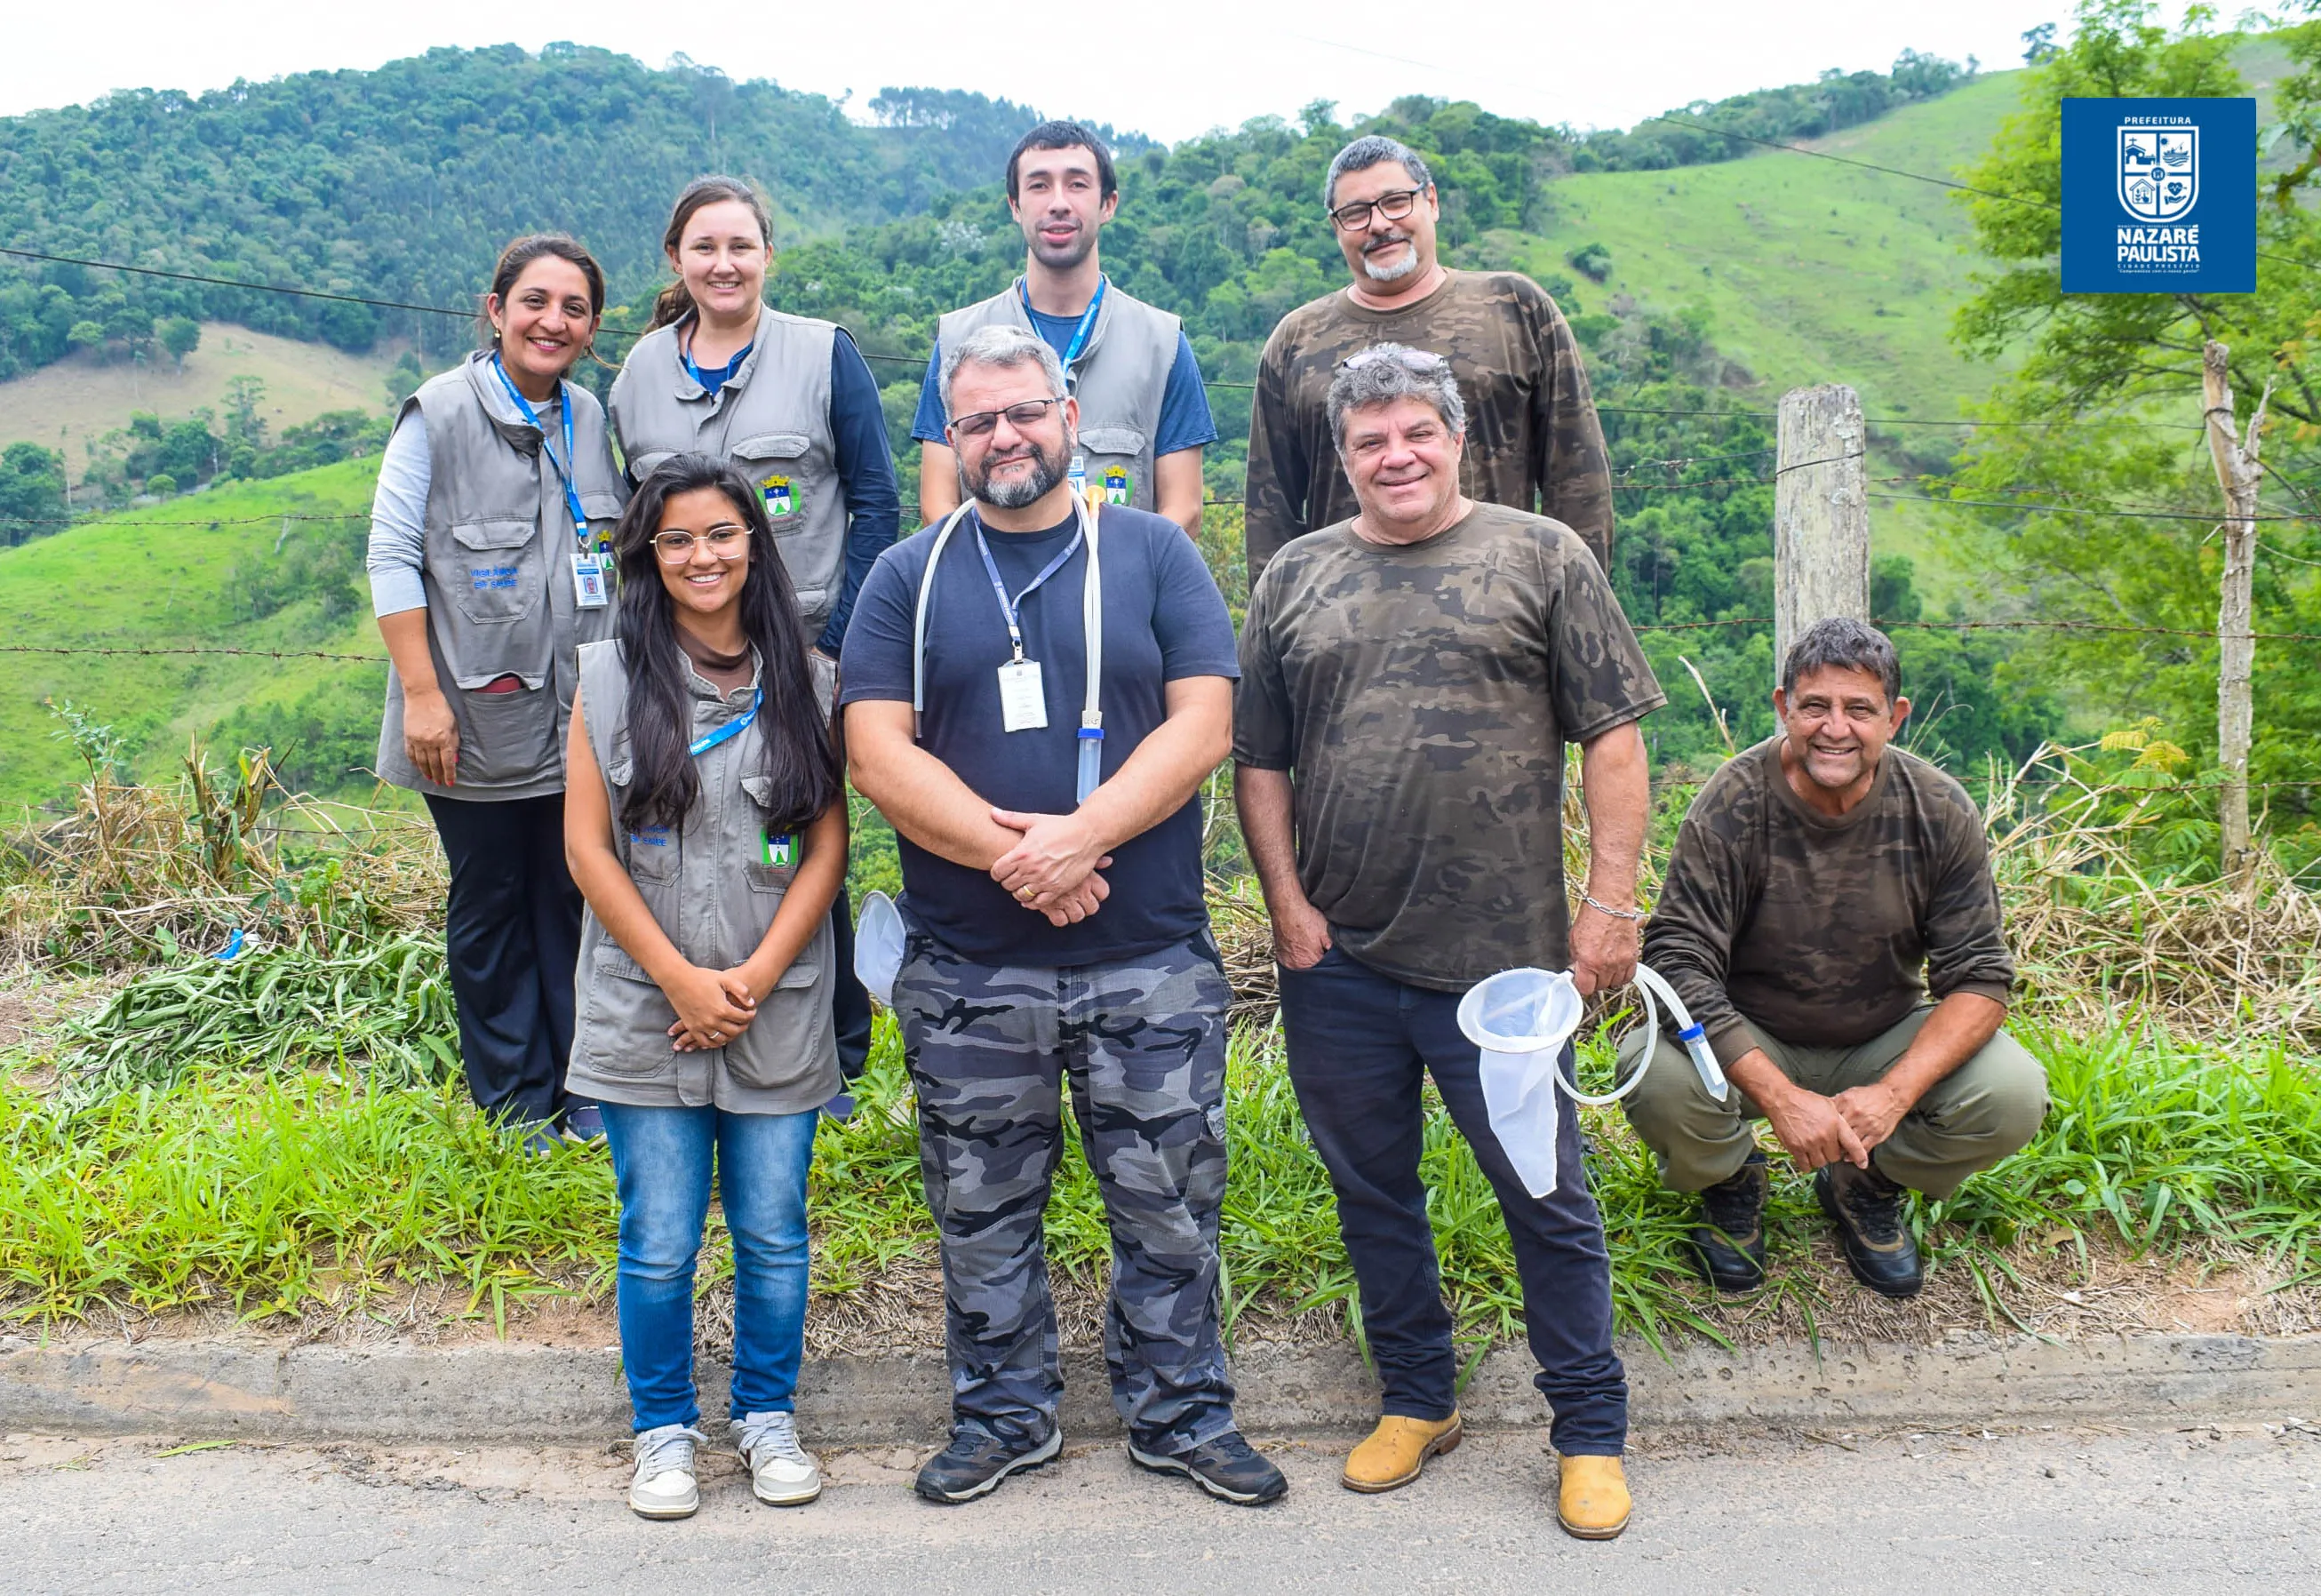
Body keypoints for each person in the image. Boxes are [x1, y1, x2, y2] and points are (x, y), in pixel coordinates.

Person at [842, 324, 1281, 1508]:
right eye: (977, 421)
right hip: (972, 963)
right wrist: (1015, 856)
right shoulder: (910, 576)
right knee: (981, 1208)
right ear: (953, 435)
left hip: (1145, 954)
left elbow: (1204, 723)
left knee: (1174, 1206)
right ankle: (1002, 1414)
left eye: (1024, 413)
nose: (1004, 438)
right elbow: (877, 753)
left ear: (1070, 416)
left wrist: (1082, 839)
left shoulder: (1150, 555)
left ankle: (1181, 1412)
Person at [1233, 346, 1663, 1540]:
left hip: (1509, 964)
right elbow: (1256, 758)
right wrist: (1287, 911)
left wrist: (1609, 903)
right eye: (1370, 440)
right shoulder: (1297, 579)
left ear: (1456, 436)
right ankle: (1419, 1399)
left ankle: (1588, 1429)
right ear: (1343, 456)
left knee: (1544, 1193)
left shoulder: (1541, 556)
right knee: (1374, 1192)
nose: (1395, 456)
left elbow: (1614, 738)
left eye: (1415, 432)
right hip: (1341, 961)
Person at [562, 454, 848, 1520]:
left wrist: (754, 977)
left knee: (774, 1227)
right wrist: (682, 981)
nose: (701, 557)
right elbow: (588, 851)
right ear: (647, 555)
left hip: (777, 1001)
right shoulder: (600, 678)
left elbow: (827, 850)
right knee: (661, 1236)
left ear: (754, 543)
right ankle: (663, 1430)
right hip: (645, 1005)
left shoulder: (810, 680)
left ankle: (767, 1414)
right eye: (676, 539)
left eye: (721, 534)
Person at [1620, 618, 2046, 1301]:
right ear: (1783, 706)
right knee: (1652, 1073)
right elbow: (1678, 959)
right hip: (1752, 1032)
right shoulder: (1734, 799)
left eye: (1859, 709)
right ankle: (1733, 1181)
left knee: (2012, 1094)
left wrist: (1893, 1094)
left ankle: (1866, 1183)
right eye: (1815, 706)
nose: (1834, 728)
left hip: (1880, 1033)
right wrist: (1781, 1097)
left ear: (1895, 718)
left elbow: (1980, 978)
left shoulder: (1938, 808)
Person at [610, 175, 900, 1088]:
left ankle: (837, 1048)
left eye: (740, 245)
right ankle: (699, 1010)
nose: (723, 262)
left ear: (767, 254)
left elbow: (875, 499)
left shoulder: (823, 355)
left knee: (808, 833)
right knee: (700, 839)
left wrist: (838, 649)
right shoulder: (638, 372)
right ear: (676, 259)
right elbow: (633, 522)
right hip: (679, 662)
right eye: (705, 247)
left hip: (802, 651)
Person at [366, 233, 629, 1151]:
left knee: (574, 893)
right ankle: (515, 1101)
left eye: (573, 308)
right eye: (535, 301)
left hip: (580, 715)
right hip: (471, 717)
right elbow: (392, 555)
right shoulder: (436, 412)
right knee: (492, 901)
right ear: (496, 310)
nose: (552, 321)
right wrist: (423, 695)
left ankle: (584, 1084)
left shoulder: (590, 418)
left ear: (591, 328)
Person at [1243, 134, 1615, 583]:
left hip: (1504, 612)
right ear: (1336, 228)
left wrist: (1573, 609)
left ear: (1431, 201)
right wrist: (1282, 622)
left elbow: (1578, 481)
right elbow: (1270, 511)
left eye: (1396, 201)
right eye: (1356, 213)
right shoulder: (1295, 341)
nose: (1379, 224)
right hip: (1346, 625)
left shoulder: (1515, 308)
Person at [912, 122, 1216, 535]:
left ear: (1108, 204)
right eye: (1038, 186)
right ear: (1015, 206)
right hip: (994, 594)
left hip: (1122, 595)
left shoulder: (1162, 344)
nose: (1058, 203)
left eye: (1077, 185)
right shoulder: (956, 340)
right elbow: (937, 503)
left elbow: (1185, 509)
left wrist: (1112, 578)